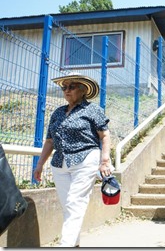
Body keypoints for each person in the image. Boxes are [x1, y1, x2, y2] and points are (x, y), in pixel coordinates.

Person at [33, 73, 112, 247]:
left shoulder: (92, 110)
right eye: (64, 87)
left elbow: (104, 135)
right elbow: (50, 141)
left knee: (75, 202)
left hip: (85, 159)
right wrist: (39, 164)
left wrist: (105, 160)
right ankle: (74, 243)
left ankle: (65, 245)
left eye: (71, 87)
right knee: (68, 206)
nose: (66, 90)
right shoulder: (58, 112)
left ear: (83, 90)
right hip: (59, 163)